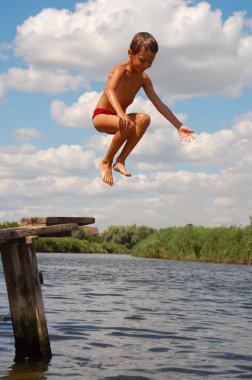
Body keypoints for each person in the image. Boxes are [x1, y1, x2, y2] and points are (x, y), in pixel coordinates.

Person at [92, 32, 195, 186]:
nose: (146, 65)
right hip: (102, 117)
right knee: (129, 124)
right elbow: (109, 90)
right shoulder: (120, 70)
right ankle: (106, 161)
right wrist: (120, 113)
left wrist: (178, 126)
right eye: (142, 60)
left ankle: (120, 160)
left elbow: (159, 104)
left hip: (122, 122)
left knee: (144, 119)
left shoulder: (143, 79)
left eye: (150, 62)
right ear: (130, 53)